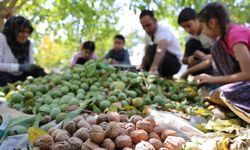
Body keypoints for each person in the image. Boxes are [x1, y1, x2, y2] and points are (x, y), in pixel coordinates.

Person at [195, 2, 250, 112]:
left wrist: (212, 79)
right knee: (216, 47)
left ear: (212, 22)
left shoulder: (235, 34)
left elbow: (248, 74)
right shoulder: (222, 40)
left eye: (203, 28)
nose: (204, 33)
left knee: (219, 94)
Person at [0, 16, 45, 86]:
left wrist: (32, 67)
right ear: (14, 30)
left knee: (39, 72)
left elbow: (30, 64)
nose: (25, 35)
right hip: (5, 76)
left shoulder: (28, 44)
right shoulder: (2, 38)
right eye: (22, 31)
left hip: (21, 77)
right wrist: (20, 67)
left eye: (28, 32)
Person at [139, 10, 183, 78]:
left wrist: (154, 67)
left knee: (151, 49)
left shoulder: (163, 30)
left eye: (148, 25)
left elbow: (161, 50)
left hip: (175, 63)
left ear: (155, 20)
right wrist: (142, 66)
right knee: (148, 51)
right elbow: (146, 54)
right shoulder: (147, 35)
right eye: (144, 27)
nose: (146, 29)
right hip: (163, 61)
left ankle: (157, 75)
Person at [178, 8, 214, 78]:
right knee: (191, 43)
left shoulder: (211, 30)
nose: (187, 30)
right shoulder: (191, 37)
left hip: (214, 60)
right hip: (202, 62)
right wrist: (189, 59)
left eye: (189, 25)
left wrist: (208, 55)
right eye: (184, 28)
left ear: (197, 19)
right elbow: (184, 59)